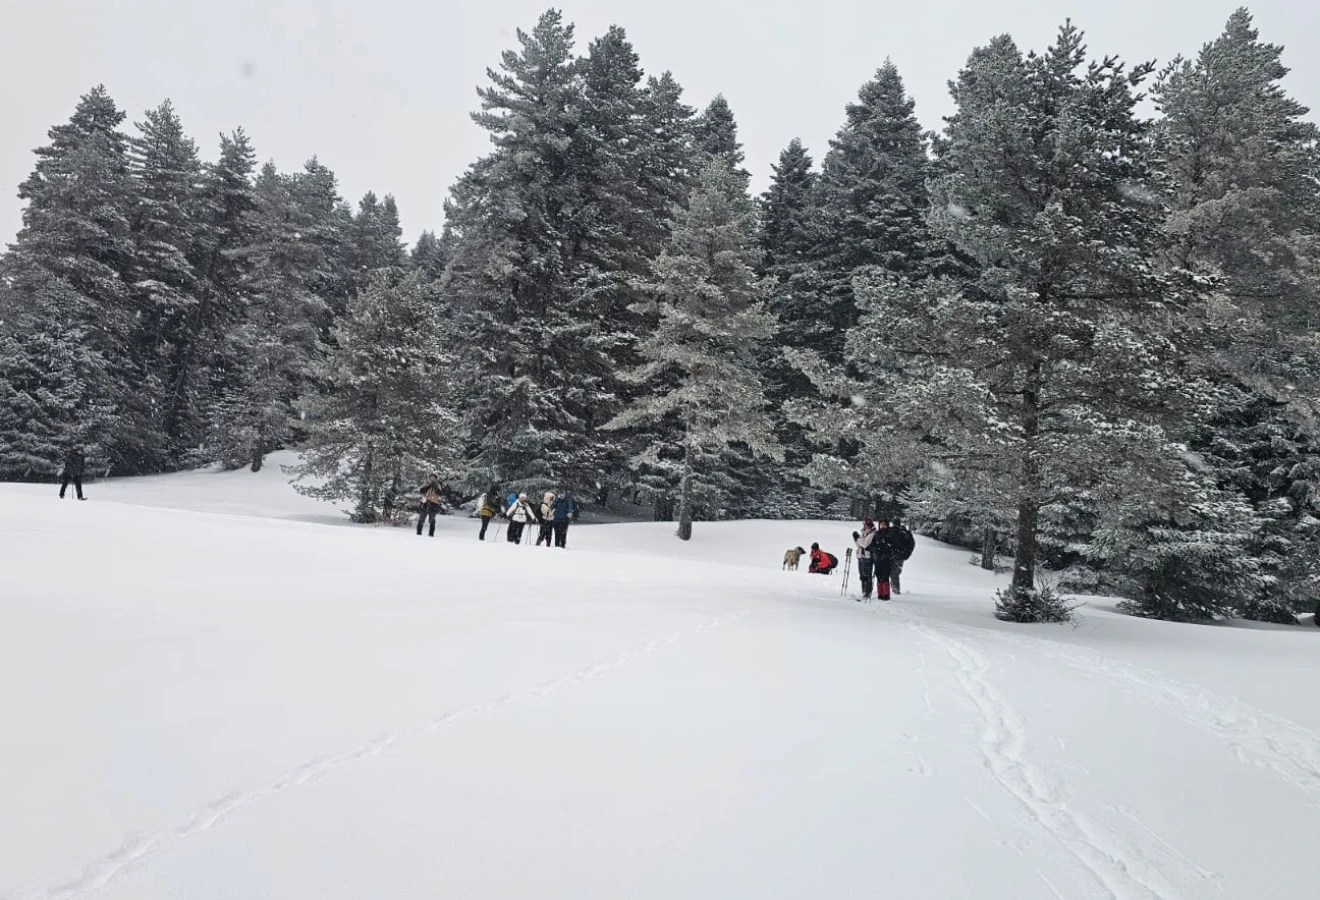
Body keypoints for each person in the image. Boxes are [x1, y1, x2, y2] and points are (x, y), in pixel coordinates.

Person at [870, 519, 900, 600]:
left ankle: (886, 595)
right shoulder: (876, 534)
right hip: (878, 559)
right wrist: (875, 552)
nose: (883, 526)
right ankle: (880, 594)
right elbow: (872, 546)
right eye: (881, 525)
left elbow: (893, 547)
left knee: (885, 576)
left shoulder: (890, 534)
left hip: (887, 559)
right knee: (878, 575)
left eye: (884, 525)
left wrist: (887, 553)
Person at [852, 516, 878, 600]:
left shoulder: (872, 534)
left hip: (868, 556)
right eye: (864, 523)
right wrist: (857, 540)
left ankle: (867, 592)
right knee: (862, 575)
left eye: (866, 524)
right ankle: (864, 592)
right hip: (861, 555)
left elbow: (865, 544)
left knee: (867, 575)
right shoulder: (864, 533)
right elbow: (860, 544)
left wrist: (858, 539)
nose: (864, 525)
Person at [890, 517, 916, 594]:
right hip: (900, 556)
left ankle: (894, 590)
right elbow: (912, 544)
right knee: (895, 574)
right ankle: (895, 589)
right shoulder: (905, 532)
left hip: (893, 555)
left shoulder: (892, 531)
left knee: (891, 573)